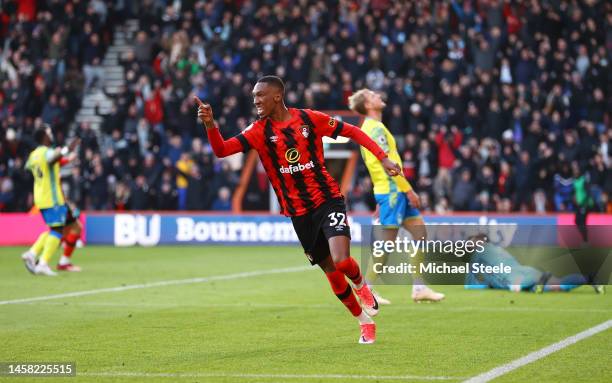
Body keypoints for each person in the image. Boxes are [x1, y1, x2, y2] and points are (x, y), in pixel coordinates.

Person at [196, 75, 403, 344]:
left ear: (277, 96)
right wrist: (210, 123)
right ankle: (364, 322)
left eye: (260, 96)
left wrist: (383, 157)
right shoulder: (258, 131)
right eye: (254, 96)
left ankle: (362, 286)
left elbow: (353, 131)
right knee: (329, 270)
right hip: (298, 212)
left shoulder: (308, 119)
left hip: (327, 198)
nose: (255, 101)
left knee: (341, 260)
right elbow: (222, 150)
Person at [348, 89, 445, 303]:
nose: (378, 96)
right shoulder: (374, 129)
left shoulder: (372, 128)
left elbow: (378, 165)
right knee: (387, 244)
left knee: (419, 233)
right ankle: (367, 291)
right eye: (372, 95)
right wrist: (408, 190)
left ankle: (419, 288)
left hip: (391, 190)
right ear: (368, 105)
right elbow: (387, 166)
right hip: (393, 191)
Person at [21, 126, 81, 276]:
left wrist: (65, 159)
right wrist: (68, 148)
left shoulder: (33, 155)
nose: (51, 134)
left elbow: (35, 166)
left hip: (41, 197)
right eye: (49, 132)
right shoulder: (47, 152)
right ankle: (42, 261)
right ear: (44, 137)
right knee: (57, 230)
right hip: (52, 198)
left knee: (60, 229)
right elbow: (52, 158)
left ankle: (33, 254)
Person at [464, 235, 605, 294]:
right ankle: (588, 278)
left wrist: (487, 285)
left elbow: (470, 284)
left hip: (515, 278)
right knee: (559, 285)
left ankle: (538, 283)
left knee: (521, 286)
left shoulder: (479, 252)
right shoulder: (498, 250)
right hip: (527, 270)